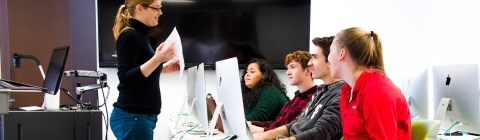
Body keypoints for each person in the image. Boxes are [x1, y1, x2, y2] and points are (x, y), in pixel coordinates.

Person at [109, 0, 181, 139]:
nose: (160, 12)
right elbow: (126, 79)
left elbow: (138, 71)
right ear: (140, 8)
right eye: (156, 8)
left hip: (138, 117)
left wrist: (161, 68)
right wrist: (157, 60)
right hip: (133, 117)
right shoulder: (129, 35)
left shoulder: (141, 35)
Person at [254, 36, 345, 140]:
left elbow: (321, 133)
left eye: (315, 57)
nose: (310, 63)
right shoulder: (321, 91)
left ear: (330, 62)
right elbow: (296, 123)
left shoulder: (341, 94)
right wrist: (262, 136)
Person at [327, 27, 411, 139]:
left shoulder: (376, 90)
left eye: (330, 50)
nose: (328, 58)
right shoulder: (348, 91)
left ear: (341, 53)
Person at [248, 50, 316, 133]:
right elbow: (277, 123)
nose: (287, 72)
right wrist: (251, 123)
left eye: (293, 67)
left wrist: (263, 130)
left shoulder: (313, 100)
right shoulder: (296, 99)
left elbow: (294, 131)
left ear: (308, 71)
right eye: (288, 68)